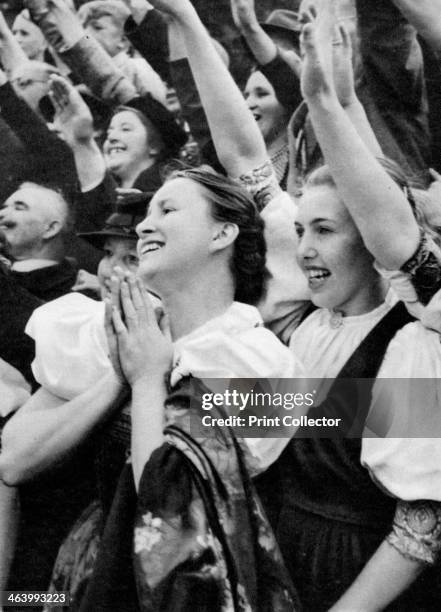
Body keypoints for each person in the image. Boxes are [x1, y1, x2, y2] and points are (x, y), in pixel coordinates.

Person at [0, 181, 77, 301]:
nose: (1, 213)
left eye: (19, 208)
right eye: (4, 208)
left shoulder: (77, 289)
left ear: (51, 229)